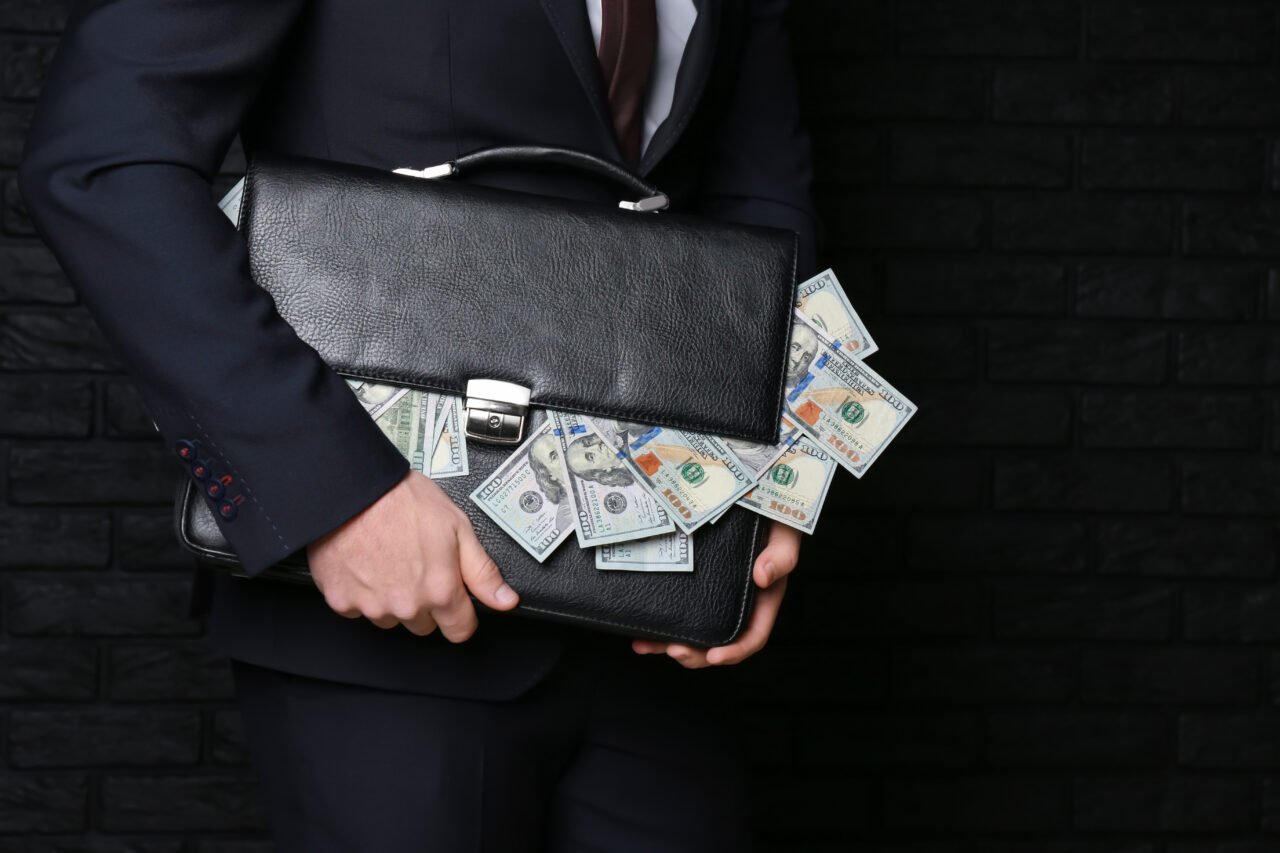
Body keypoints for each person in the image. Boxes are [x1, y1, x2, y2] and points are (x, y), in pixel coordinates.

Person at [17, 0, 821, 849]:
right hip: (388, 614)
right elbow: (103, 158)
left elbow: (760, 192)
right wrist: (333, 491)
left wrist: (779, 475)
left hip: (665, 613)